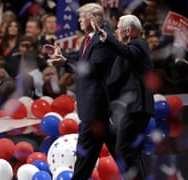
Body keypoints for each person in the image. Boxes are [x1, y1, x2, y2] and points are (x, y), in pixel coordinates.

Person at [43, 3, 118, 180]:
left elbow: (91, 68)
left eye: (81, 17)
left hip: (96, 108)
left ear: (92, 19)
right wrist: (61, 55)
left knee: (84, 158)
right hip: (93, 108)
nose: (78, 21)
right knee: (119, 153)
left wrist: (65, 63)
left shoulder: (102, 39)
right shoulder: (89, 39)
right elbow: (80, 58)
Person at [91, 14, 155, 179]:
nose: (116, 32)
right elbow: (115, 79)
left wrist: (105, 36)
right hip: (132, 107)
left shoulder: (138, 44)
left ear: (128, 31)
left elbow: (126, 52)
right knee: (133, 150)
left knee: (123, 149)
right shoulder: (126, 51)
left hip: (136, 106)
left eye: (118, 29)